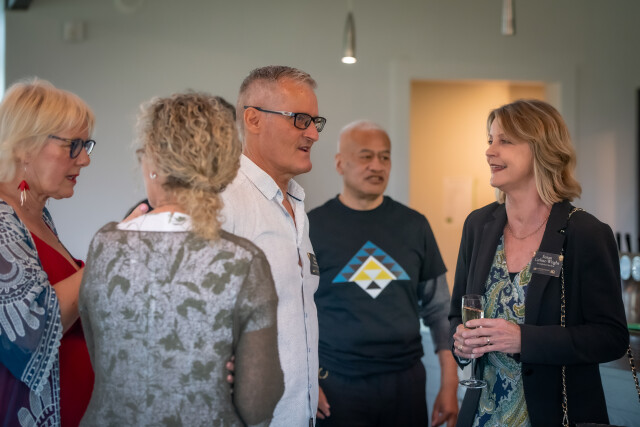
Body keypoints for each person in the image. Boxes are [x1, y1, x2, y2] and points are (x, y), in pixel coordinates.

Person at [78, 92, 284, 425]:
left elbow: (103, 357)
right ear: (225, 168)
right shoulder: (243, 261)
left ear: (154, 163)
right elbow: (257, 402)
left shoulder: (105, 245)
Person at [450, 99, 629, 426]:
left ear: (541, 150)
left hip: (557, 415)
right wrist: (460, 342)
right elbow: (456, 315)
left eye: (505, 141)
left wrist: (524, 340)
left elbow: (611, 337)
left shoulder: (585, 233)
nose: (490, 151)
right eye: (490, 140)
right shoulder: (478, 225)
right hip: (482, 416)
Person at [309, 120, 459, 427]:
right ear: (340, 163)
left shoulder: (415, 225)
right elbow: (295, 312)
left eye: (384, 157)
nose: (377, 165)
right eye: (366, 156)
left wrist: (449, 382)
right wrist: (307, 382)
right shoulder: (312, 227)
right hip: (336, 383)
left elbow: (439, 309)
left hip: (405, 382)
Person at [220, 65, 326, 426]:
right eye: (299, 120)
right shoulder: (223, 201)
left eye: (315, 121)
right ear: (253, 119)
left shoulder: (296, 203)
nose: (313, 133)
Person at [0, 78, 96, 426]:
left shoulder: (36, 215)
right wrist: (109, 255)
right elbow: (32, 330)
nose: (84, 159)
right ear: (25, 146)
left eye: (86, 145)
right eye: (73, 145)